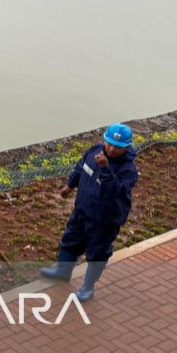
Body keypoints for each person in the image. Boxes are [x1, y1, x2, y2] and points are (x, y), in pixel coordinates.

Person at [39, 123, 138, 301]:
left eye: (118, 147)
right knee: (70, 240)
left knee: (97, 253)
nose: (112, 149)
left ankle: (88, 287)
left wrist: (106, 168)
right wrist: (70, 185)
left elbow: (114, 191)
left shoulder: (128, 171)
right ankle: (63, 271)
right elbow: (81, 167)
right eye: (109, 143)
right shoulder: (94, 151)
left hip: (104, 221)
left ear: (127, 147)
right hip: (82, 211)